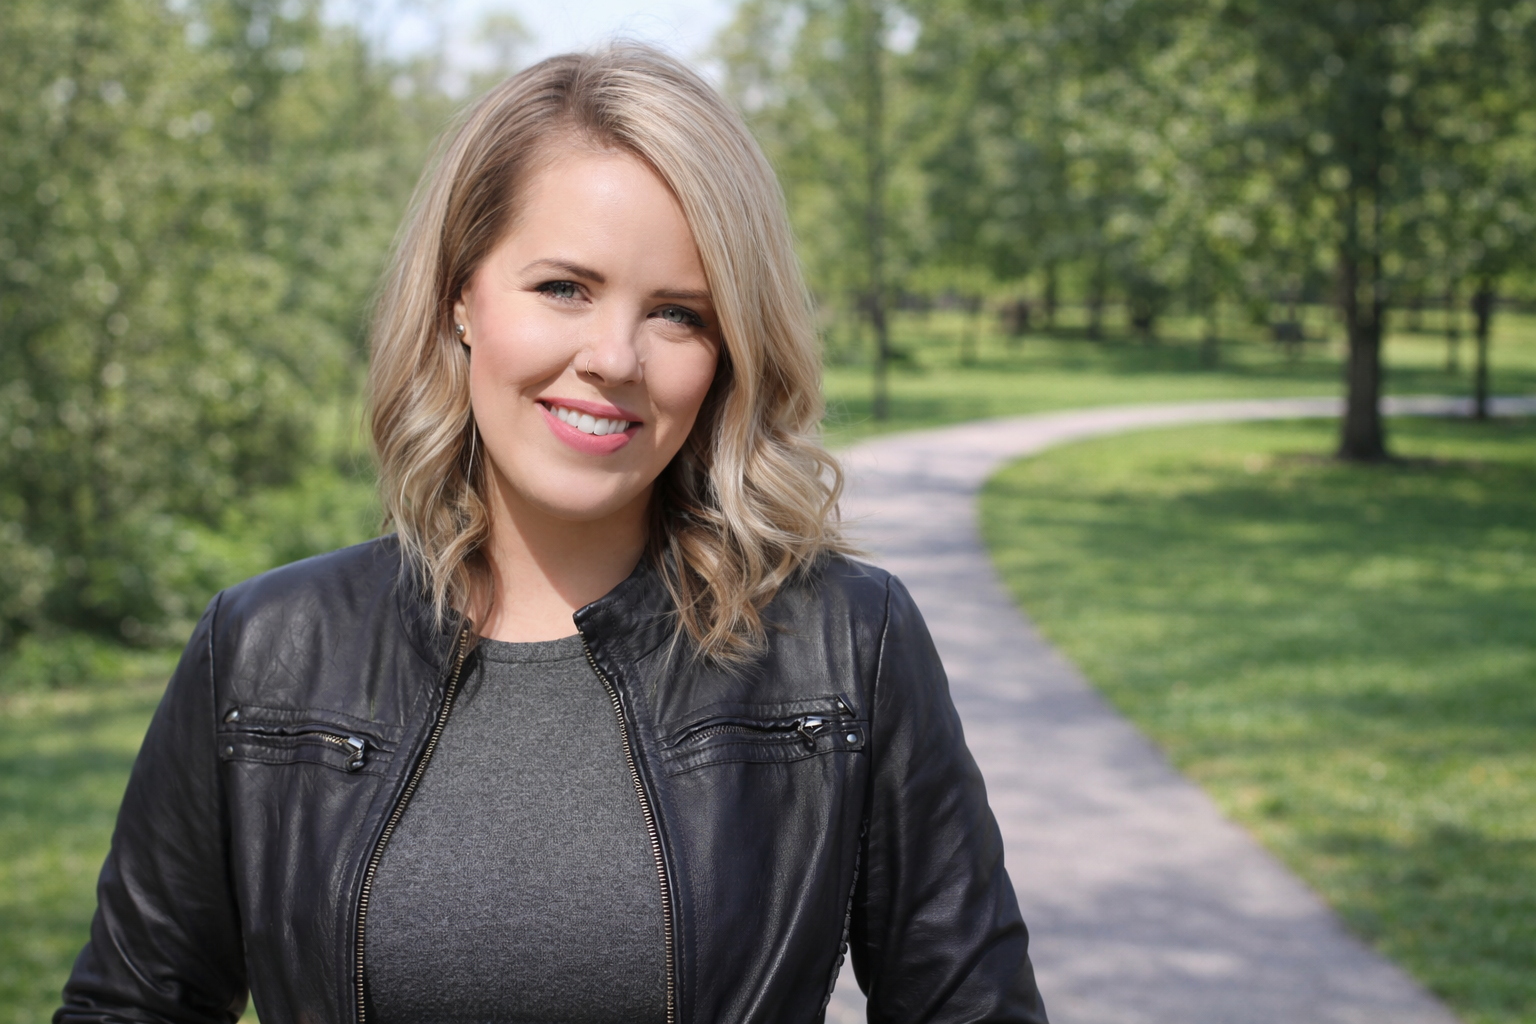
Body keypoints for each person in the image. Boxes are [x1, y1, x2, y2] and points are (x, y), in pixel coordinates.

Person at [56, 45, 1048, 1024]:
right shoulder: (268, 648)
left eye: (678, 313)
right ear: (460, 297)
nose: (614, 357)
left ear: (729, 352)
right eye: (564, 287)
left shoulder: (841, 642)